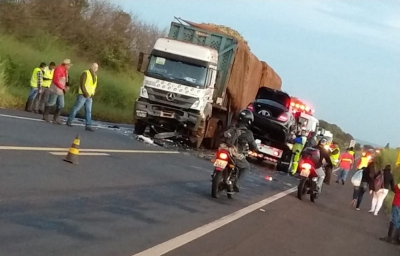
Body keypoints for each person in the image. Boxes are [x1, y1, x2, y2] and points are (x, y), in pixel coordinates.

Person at [221, 109, 260, 193]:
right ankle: (235, 182)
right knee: (246, 166)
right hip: (235, 153)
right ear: (249, 121)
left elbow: (222, 135)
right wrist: (257, 150)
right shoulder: (248, 133)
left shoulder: (231, 127)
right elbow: (253, 146)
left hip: (223, 149)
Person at [66, 63, 99, 131]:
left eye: (97, 67)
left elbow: (93, 86)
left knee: (88, 111)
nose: (96, 68)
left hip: (90, 96)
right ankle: (69, 121)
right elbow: (82, 83)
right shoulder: (85, 73)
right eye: (94, 67)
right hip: (83, 95)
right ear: (91, 66)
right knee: (77, 108)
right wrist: (85, 92)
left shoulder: (95, 76)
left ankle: (88, 125)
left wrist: (92, 93)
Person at [43, 59, 72, 124]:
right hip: (55, 89)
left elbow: (66, 80)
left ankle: (56, 118)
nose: (70, 66)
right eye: (69, 65)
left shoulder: (65, 71)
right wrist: (63, 88)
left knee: (61, 105)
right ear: (66, 65)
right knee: (51, 102)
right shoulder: (59, 69)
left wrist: (66, 86)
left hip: (61, 90)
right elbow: (56, 80)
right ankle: (45, 115)